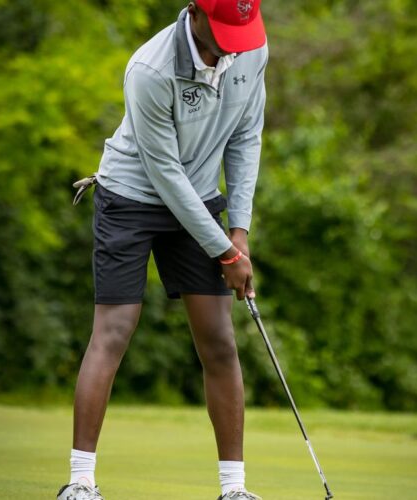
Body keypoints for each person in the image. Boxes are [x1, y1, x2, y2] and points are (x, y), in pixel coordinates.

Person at [57, 0, 267, 498]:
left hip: (198, 196)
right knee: (113, 331)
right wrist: (226, 254)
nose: (228, 52)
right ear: (194, 13)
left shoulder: (250, 47)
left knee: (218, 341)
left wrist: (240, 231)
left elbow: (246, 136)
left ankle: (234, 489)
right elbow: (165, 174)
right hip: (132, 195)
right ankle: (81, 481)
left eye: (237, 36)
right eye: (220, 37)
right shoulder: (148, 69)